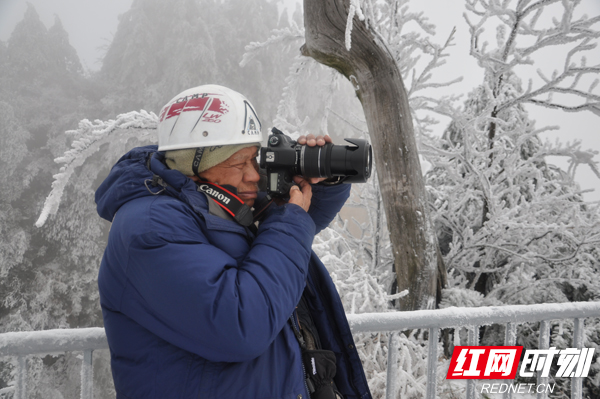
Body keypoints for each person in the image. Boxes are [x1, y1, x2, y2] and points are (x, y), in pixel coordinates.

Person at [96, 84, 372, 399]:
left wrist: (317, 184)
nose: (254, 175)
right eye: (239, 164)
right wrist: (290, 219)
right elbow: (241, 324)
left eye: (254, 160)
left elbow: (285, 238)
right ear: (194, 166)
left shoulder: (215, 205)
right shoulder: (149, 228)